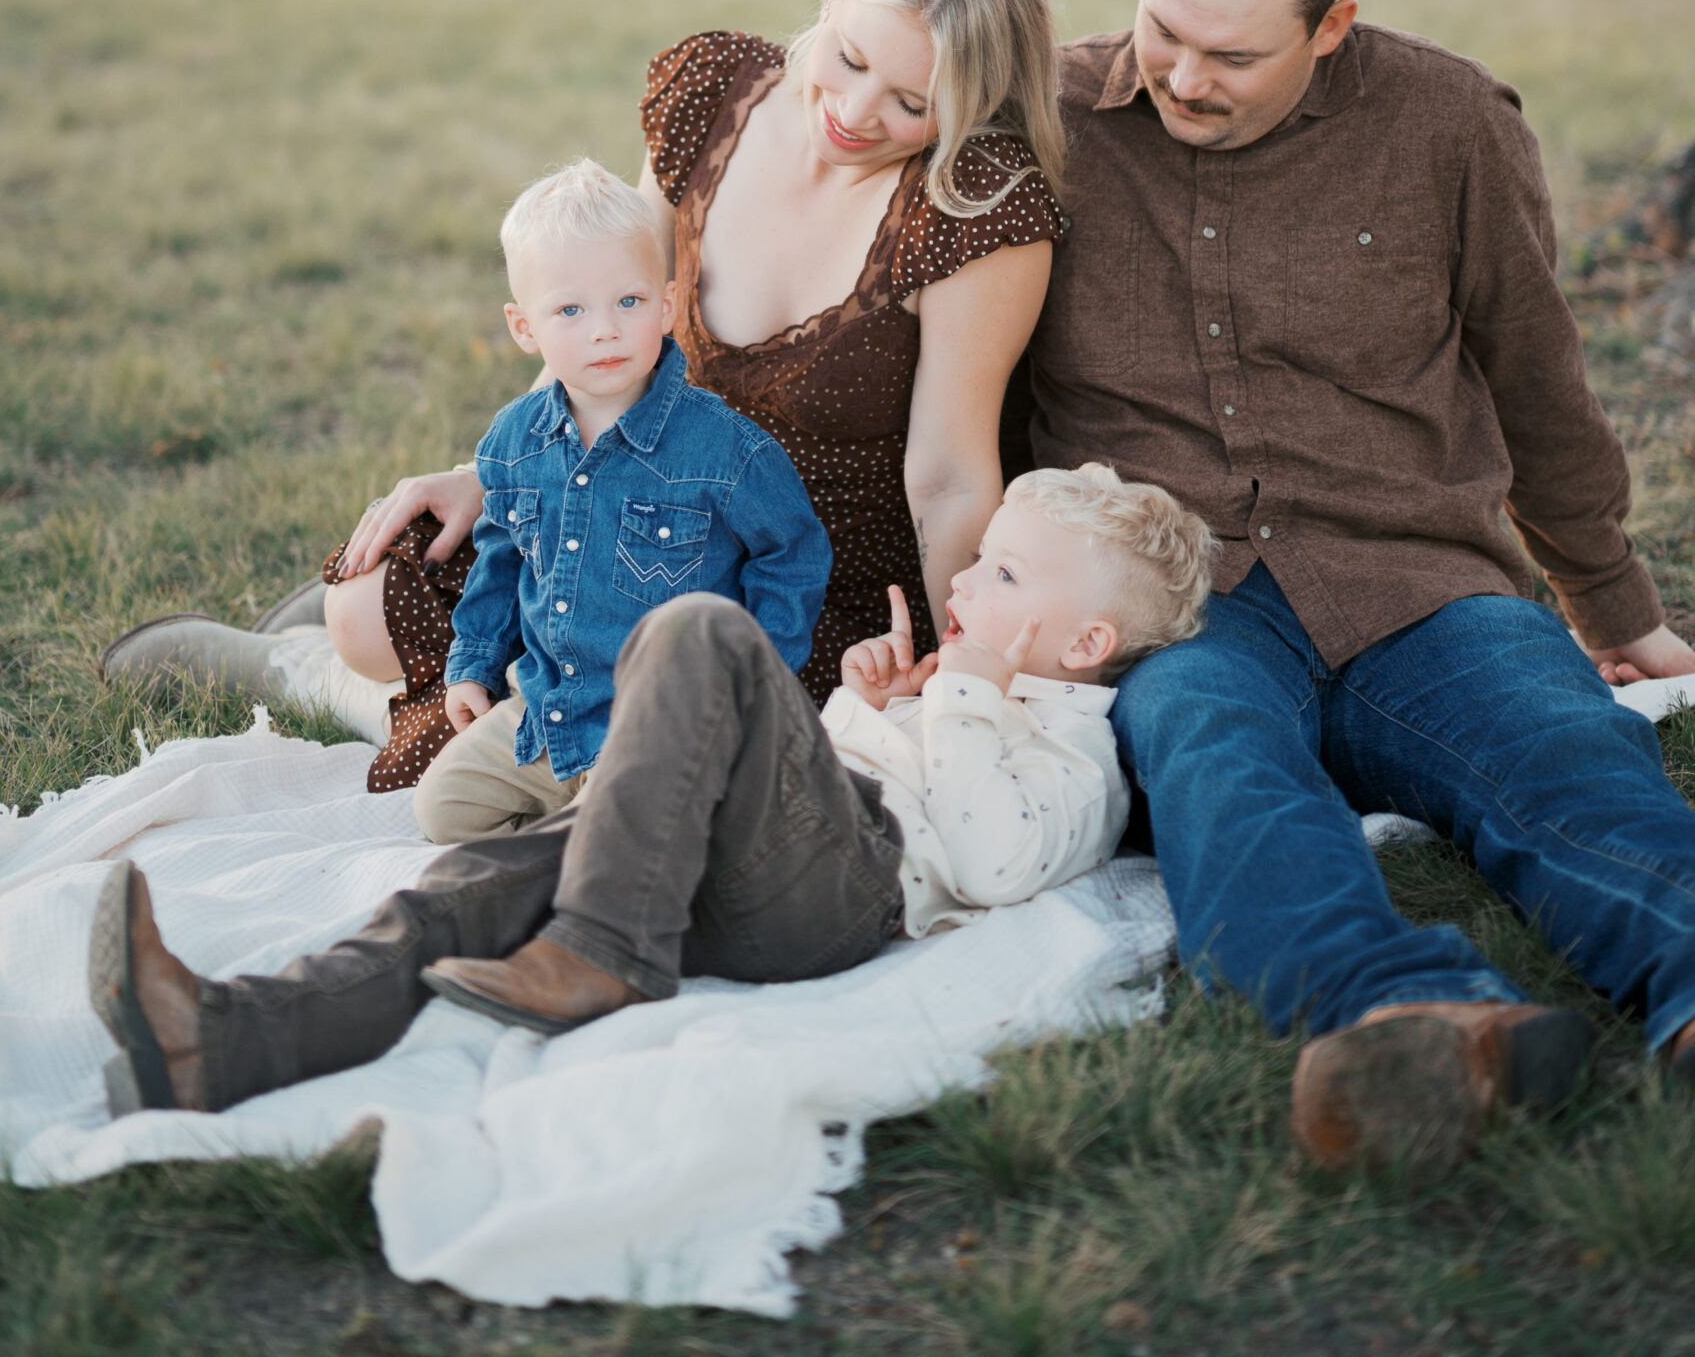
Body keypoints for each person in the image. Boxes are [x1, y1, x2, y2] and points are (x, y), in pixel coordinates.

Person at [1018, 0, 1695, 1179]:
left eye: (1231, 54)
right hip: (1174, 599)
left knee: (1560, 751)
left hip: (1413, 578)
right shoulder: (1033, 117)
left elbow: (1534, 378)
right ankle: (1408, 1020)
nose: (1181, 77)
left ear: (1329, 25)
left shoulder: (1449, 125)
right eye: (1162, 31)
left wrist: (1611, 604)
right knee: (1209, 761)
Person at [89, 465, 1213, 1116]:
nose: (962, 579)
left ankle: (607, 946)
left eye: (1002, 575)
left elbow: (992, 860)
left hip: (838, 896)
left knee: (700, 632)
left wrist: (959, 699)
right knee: (477, 885)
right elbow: (830, 774)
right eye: (979, 558)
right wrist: (876, 703)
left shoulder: (1078, 755)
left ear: (1084, 642)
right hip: (740, 863)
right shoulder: (958, 689)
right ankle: (228, 1036)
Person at [306, 0, 1069, 784]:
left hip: (804, 576)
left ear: (974, 103)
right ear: (829, 4)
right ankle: (416, 686)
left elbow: (947, 479)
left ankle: (497, 711)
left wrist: (954, 677)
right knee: (364, 605)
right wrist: (505, 474)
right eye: (848, 57)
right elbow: (610, 312)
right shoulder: (713, 94)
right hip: (631, 499)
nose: (855, 112)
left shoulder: (975, 204)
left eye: (910, 101)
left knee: (691, 744)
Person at [414, 157, 830, 844]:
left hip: (661, 725)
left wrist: (756, 680)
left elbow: (791, 553)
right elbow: (499, 559)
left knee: (629, 831)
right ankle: (569, 825)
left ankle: (594, 834)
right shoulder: (514, 441)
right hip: (548, 709)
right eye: (570, 310)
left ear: (666, 306)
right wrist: (472, 668)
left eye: (627, 302)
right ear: (525, 329)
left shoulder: (725, 450)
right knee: (442, 812)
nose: (603, 329)